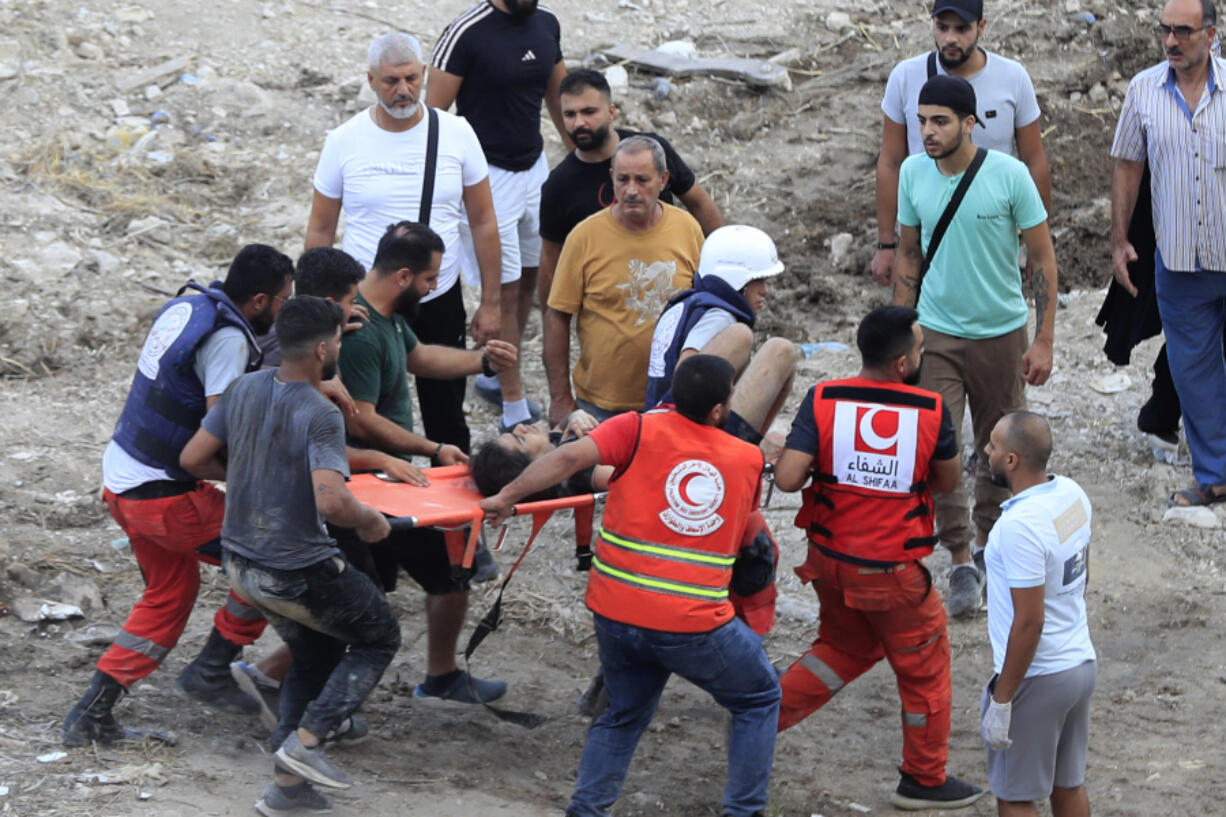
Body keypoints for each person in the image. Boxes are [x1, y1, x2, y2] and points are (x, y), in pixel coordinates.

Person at [480, 355, 780, 817]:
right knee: (759, 696)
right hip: (693, 624)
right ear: (720, 410)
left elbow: (567, 457)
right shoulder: (746, 460)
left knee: (623, 715)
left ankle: (587, 809)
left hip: (616, 614)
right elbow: (750, 542)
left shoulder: (636, 429)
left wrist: (505, 497)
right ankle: (744, 811)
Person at [60, 245, 293, 747]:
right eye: (282, 301)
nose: (283, 312)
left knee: (171, 593)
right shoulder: (229, 341)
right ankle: (213, 668)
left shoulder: (189, 306)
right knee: (274, 555)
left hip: (123, 478)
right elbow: (221, 429)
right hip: (163, 498)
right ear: (258, 301)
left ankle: (91, 715)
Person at [179, 296, 399, 816]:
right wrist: (370, 521)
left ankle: (287, 789)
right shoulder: (319, 414)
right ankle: (308, 740)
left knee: (317, 652)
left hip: (241, 562)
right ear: (323, 349)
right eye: (340, 340)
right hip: (294, 568)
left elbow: (192, 458)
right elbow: (331, 500)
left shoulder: (243, 388)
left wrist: (254, 477)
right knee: (379, 635)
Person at [773, 306, 983, 811]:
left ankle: (759, 717)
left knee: (844, 649)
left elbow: (786, 478)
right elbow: (949, 483)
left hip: (828, 561)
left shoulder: (824, 398)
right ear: (903, 364)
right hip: (891, 574)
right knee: (925, 671)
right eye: (920, 349)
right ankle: (923, 779)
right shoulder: (931, 410)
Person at [892, 74, 1058, 619]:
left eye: (939, 121)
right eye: (920, 121)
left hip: (1000, 333)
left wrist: (1044, 339)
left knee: (999, 447)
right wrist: (902, 331)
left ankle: (989, 545)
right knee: (935, 444)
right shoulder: (913, 172)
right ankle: (960, 555)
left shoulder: (1009, 175)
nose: (927, 132)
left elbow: (1042, 260)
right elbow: (909, 255)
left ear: (969, 123)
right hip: (934, 332)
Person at [336, 221, 517, 704]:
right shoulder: (361, 336)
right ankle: (271, 676)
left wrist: (482, 363)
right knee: (357, 603)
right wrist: (431, 449)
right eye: (430, 279)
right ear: (402, 275)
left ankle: (441, 676)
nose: (434, 288)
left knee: (441, 576)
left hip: (385, 479)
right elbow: (362, 422)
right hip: (369, 486)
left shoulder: (388, 318)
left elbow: (422, 358)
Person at [305, 31, 501, 457]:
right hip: (364, 304)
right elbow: (320, 229)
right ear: (371, 80)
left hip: (437, 292)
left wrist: (492, 301)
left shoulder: (456, 133)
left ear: (424, 75)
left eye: (412, 78)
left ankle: (452, 512)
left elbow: (483, 221)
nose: (404, 90)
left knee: (446, 410)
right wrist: (318, 309)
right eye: (392, 81)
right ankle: (375, 509)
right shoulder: (344, 140)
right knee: (360, 414)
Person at [428, 0, 569, 432]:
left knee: (531, 278)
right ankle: (512, 405)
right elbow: (431, 117)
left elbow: (556, 94)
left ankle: (498, 372)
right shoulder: (465, 33)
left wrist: (579, 153)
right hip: (488, 175)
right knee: (502, 291)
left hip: (534, 167)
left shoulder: (546, 23)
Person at [1110, 0, 1226, 507]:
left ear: (1212, 34)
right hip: (1179, 259)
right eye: (1165, 30)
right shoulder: (1143, 91)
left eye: (1184, 31)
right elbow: (1127, 166)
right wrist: (1119, 240)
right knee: (1193, 372)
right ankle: (1216, 475)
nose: (1172, 41)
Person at [873, 0, 1051, 287]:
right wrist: (885, 245)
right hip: (923, 237)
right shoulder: (905, 77)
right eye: (942, 27)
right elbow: (890, 162)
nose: (950, 38)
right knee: (917, 324)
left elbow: (1034, 161)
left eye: (961, 28)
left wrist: (1037, 243)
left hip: (990, 237)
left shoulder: (1012, 78)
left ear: (981, 27)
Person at [539, 69, 724, 324]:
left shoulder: (652, 151)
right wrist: (554, 325)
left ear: (611, 112)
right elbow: (551, 262)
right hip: (612, 314)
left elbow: (699, 203)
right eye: (570, 114)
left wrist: (727, 263)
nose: (579, 122)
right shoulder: (558, 187)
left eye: (589, 112)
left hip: (674, 301)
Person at [980, 411, 1096, 817]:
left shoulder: (1019, 526)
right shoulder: (1071, 495)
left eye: (993, 445)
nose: (986, 451)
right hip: (1079, 662)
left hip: (1039, 676)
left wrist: (1003, 699)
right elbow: (1081, 572)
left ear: (1011, 460)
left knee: (1015, 795)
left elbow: (1029, 623)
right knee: (1068, 785)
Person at [544, 136, 703, 425]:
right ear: (611, 179)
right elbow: (556, 316)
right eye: (623, 179)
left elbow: (707, 309)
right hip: (600, 407)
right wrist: (560, 398)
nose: (631, 190)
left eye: (642, 180)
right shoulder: (584, 237)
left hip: (674, 402)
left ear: (663, 180)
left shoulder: (687, 229)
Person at [643, 225, 796, 447]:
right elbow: (687, 375)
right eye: (759, 280)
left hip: (657, 424)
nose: (766, 290)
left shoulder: (690, 304)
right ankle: (734, 456)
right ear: (736, 278)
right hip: (677, 439)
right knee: (781, 352)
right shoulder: (720, 318)